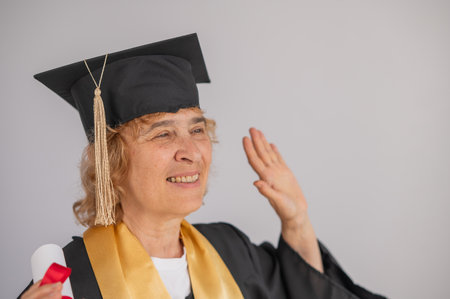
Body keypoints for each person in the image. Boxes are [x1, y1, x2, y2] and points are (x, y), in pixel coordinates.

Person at [19, 33, 386, 299]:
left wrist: (297, 221)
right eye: (163, 135)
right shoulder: (67, 279)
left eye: (197, 129)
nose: (191, 151)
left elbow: (306, 292)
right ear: (111, 162)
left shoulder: (230, 249)